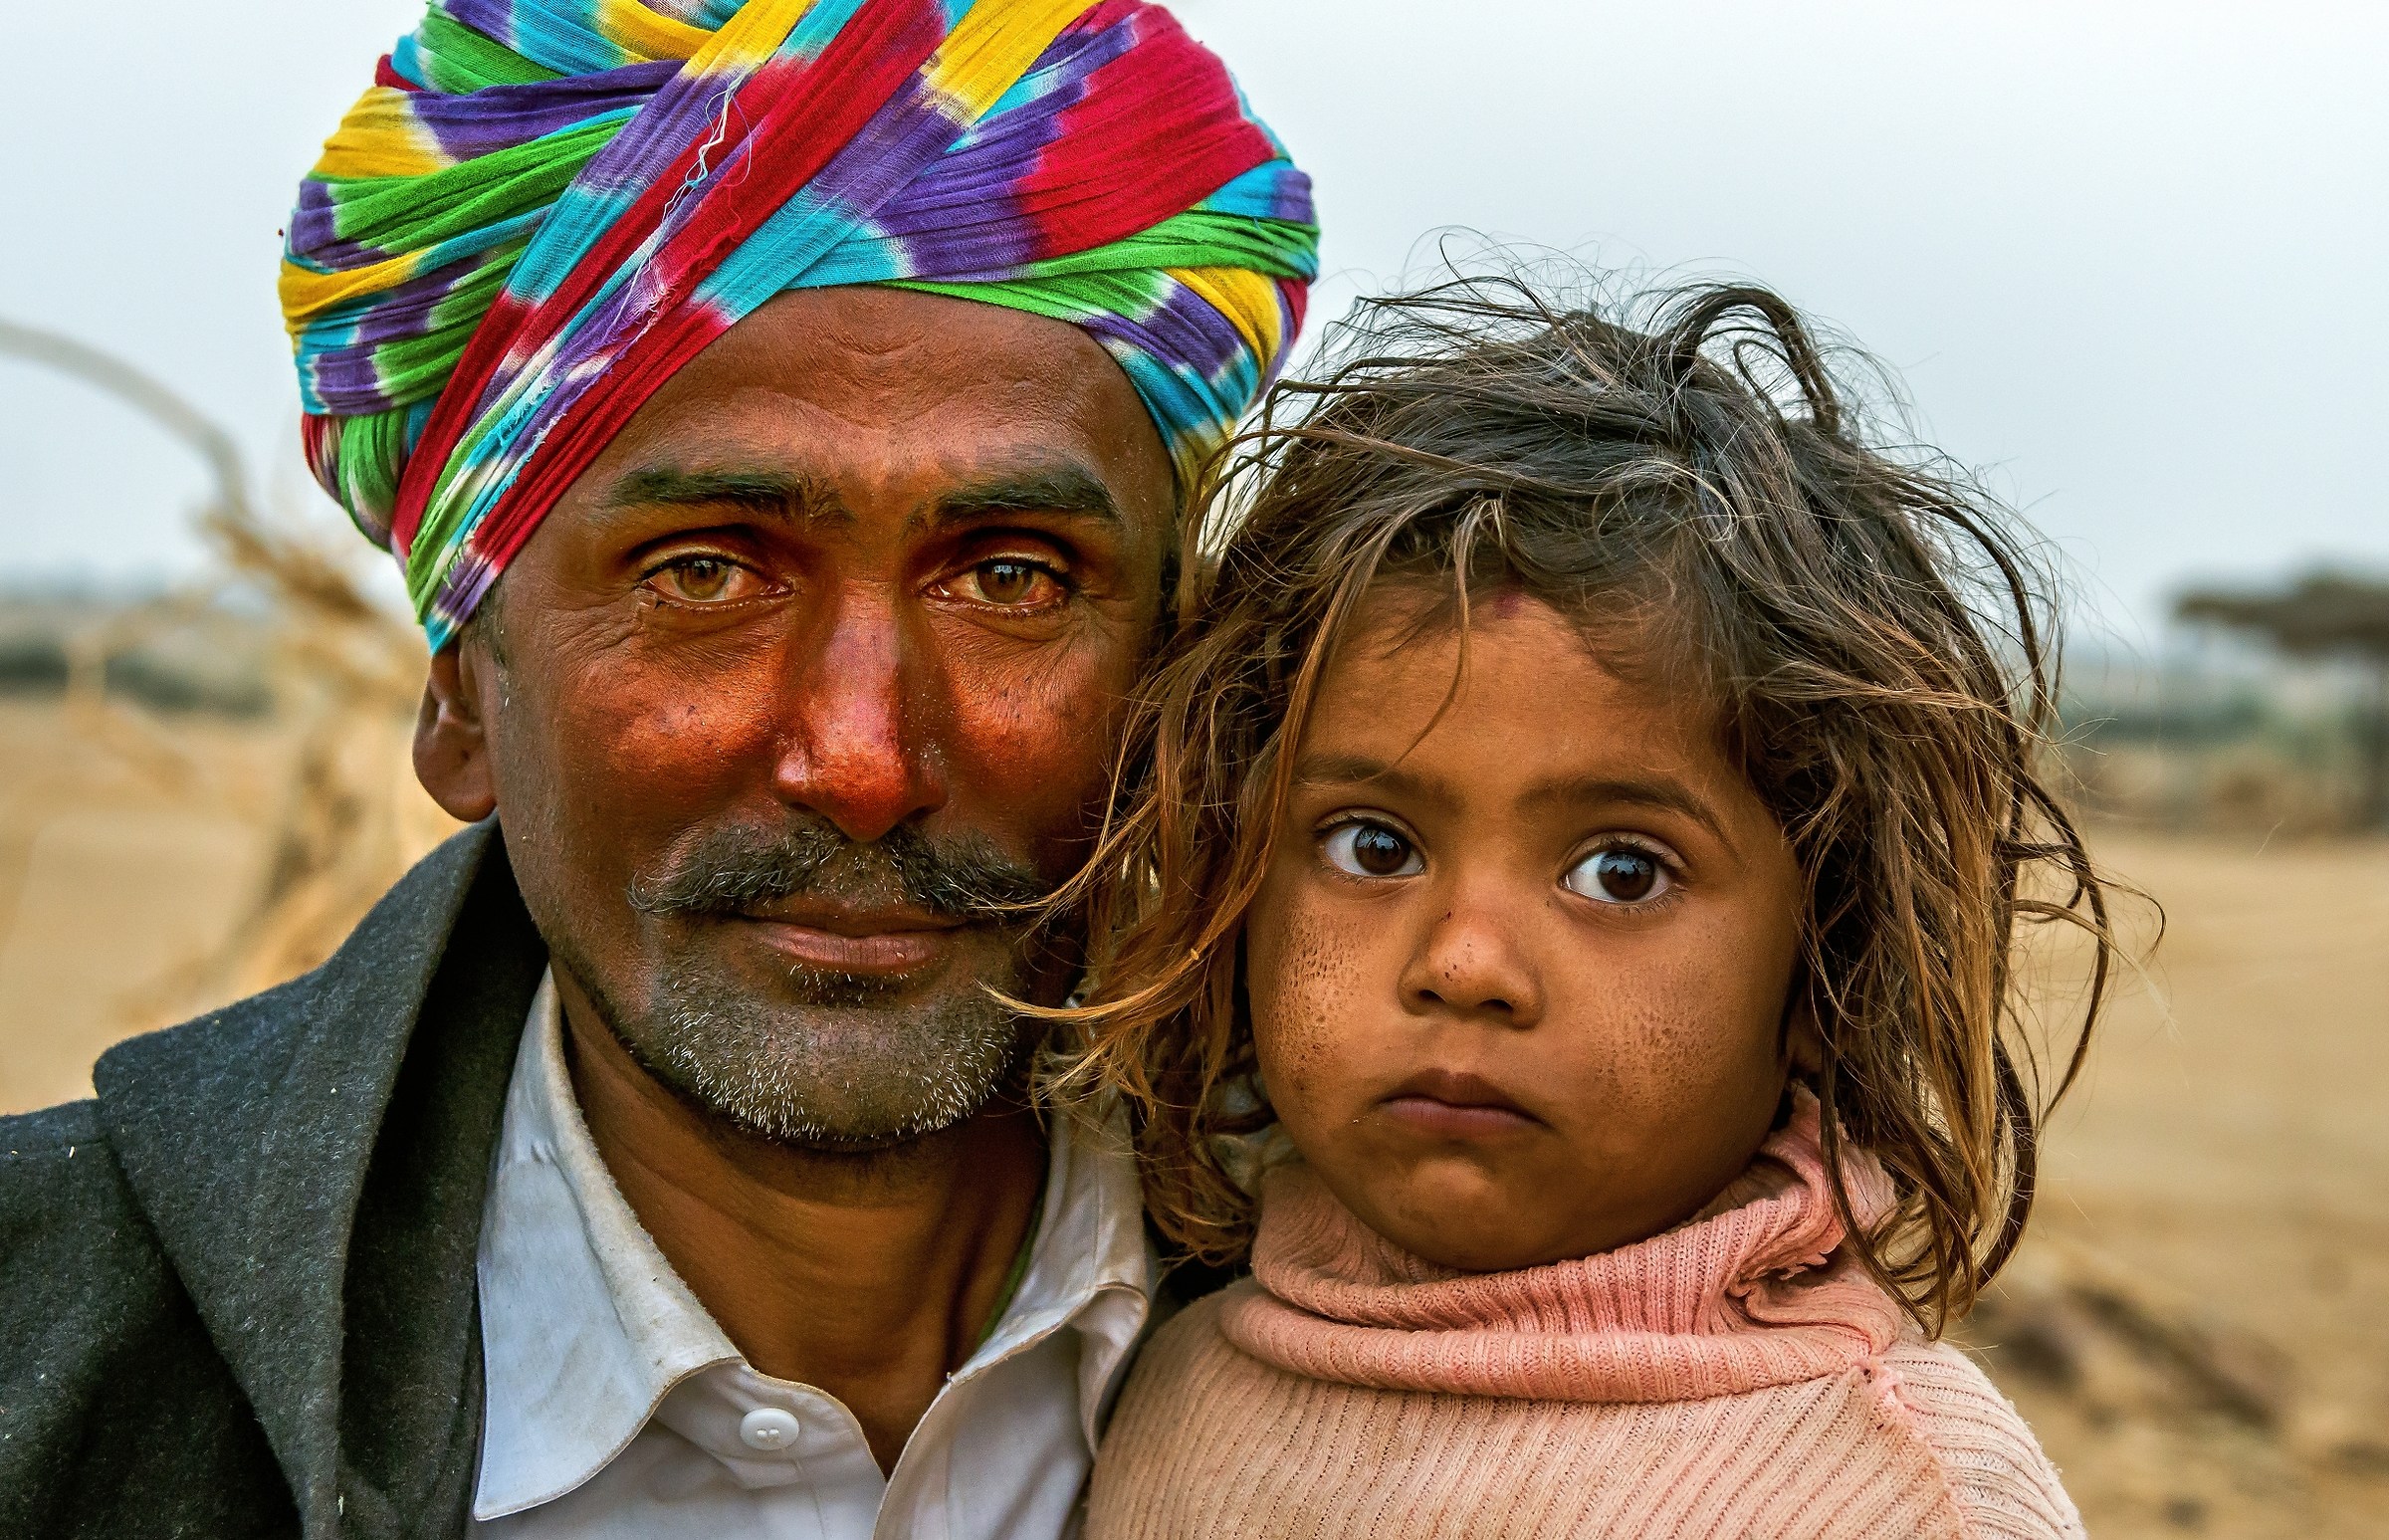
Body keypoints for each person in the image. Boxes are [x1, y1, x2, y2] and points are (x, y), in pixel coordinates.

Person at [0, 3, 1314, 1536]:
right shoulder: (52, 1352)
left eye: (1011, 578)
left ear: (1176, 662)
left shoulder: (1490, 1307)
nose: (865, 758)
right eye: (704, 575)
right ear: (464, 699)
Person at [1051, 278, 2114, 1537]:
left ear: (1826, 965)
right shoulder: (1162, 1377)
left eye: (1621, 871)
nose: (1464, 961)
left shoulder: (1888, 1495)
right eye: (1373, 844)